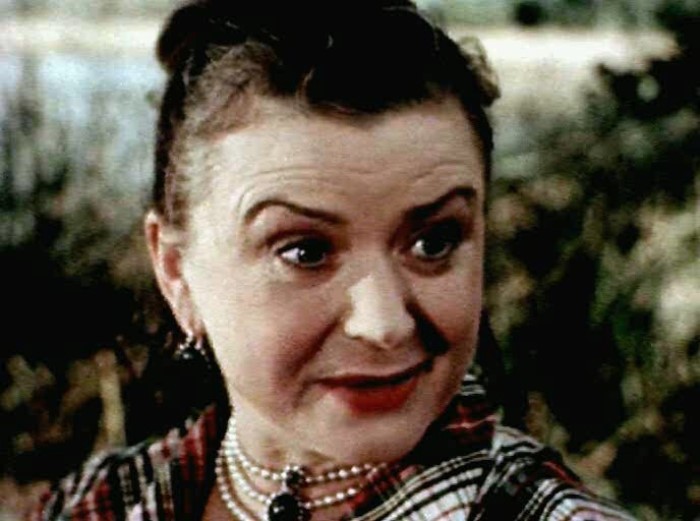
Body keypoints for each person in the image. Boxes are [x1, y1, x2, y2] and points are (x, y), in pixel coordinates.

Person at [30, 1, 637, 520]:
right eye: (306, 251)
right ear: (175, 271)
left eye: (433, 241)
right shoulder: (95, 503)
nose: (384, 324)